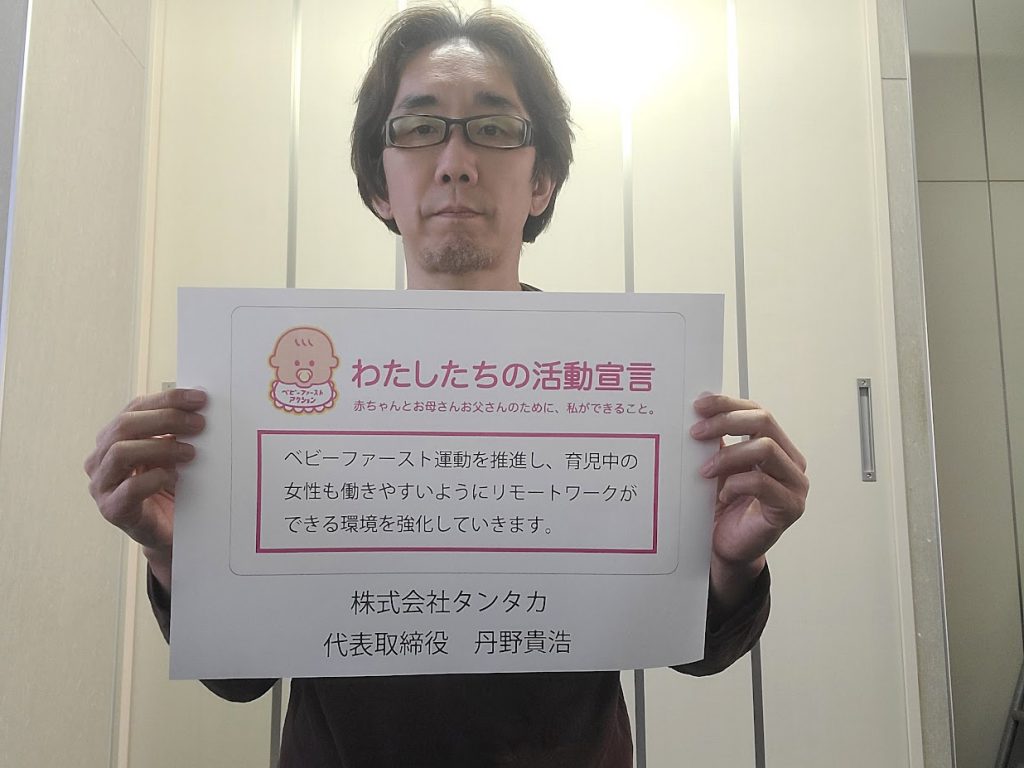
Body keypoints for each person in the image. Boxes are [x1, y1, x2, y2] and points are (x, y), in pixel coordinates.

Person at [84, 6, 808, 766]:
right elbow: (240, 678)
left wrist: (730, 565)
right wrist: (179, 555)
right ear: (379, 187)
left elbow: (696, 651)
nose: (456, 162)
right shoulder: (281, 400)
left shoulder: (626, 393)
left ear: (542, 182)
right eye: (419, 128)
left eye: (493, 128)